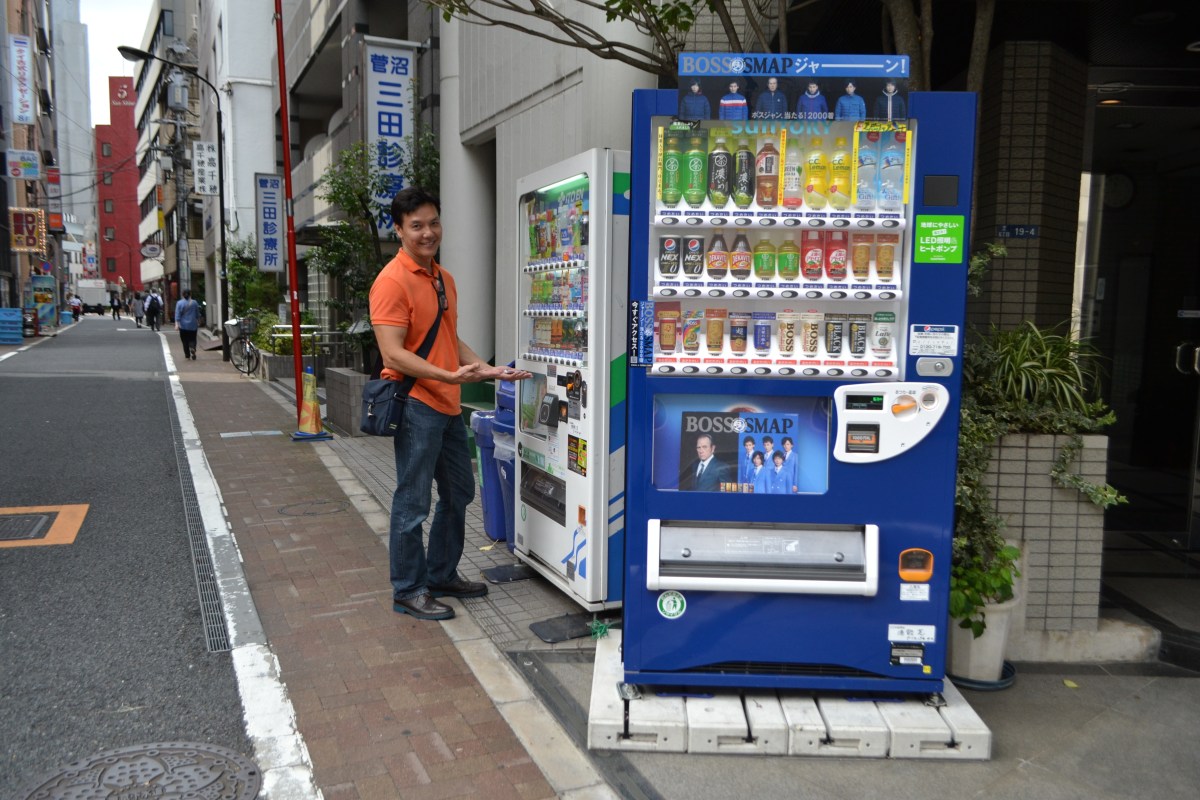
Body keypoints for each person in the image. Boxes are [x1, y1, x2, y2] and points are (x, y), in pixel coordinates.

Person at [370, 187, 532, 621]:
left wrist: (487, 368)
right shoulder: (391, 281)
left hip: (446, 402)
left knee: (459, 491)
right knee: (413, 501)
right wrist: (445, 375)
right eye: (417, 226)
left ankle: (441, 574)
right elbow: (393, 352)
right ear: (400, 230)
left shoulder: (443, 278)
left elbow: (447, 339)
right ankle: (408, 589)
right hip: (418, 403)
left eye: (433, 222)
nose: (428, 233)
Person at [174, 289, 200, 360]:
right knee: (193, 338)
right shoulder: (194, 302)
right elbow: (197, 313)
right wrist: (198, 321)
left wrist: (176, 324)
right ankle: (193, 348)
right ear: (190, 294)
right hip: (193, 325)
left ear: (182, 294)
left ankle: (187, 355)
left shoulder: (179, 303)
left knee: (184, 340)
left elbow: (177, 315)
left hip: (183, 326)